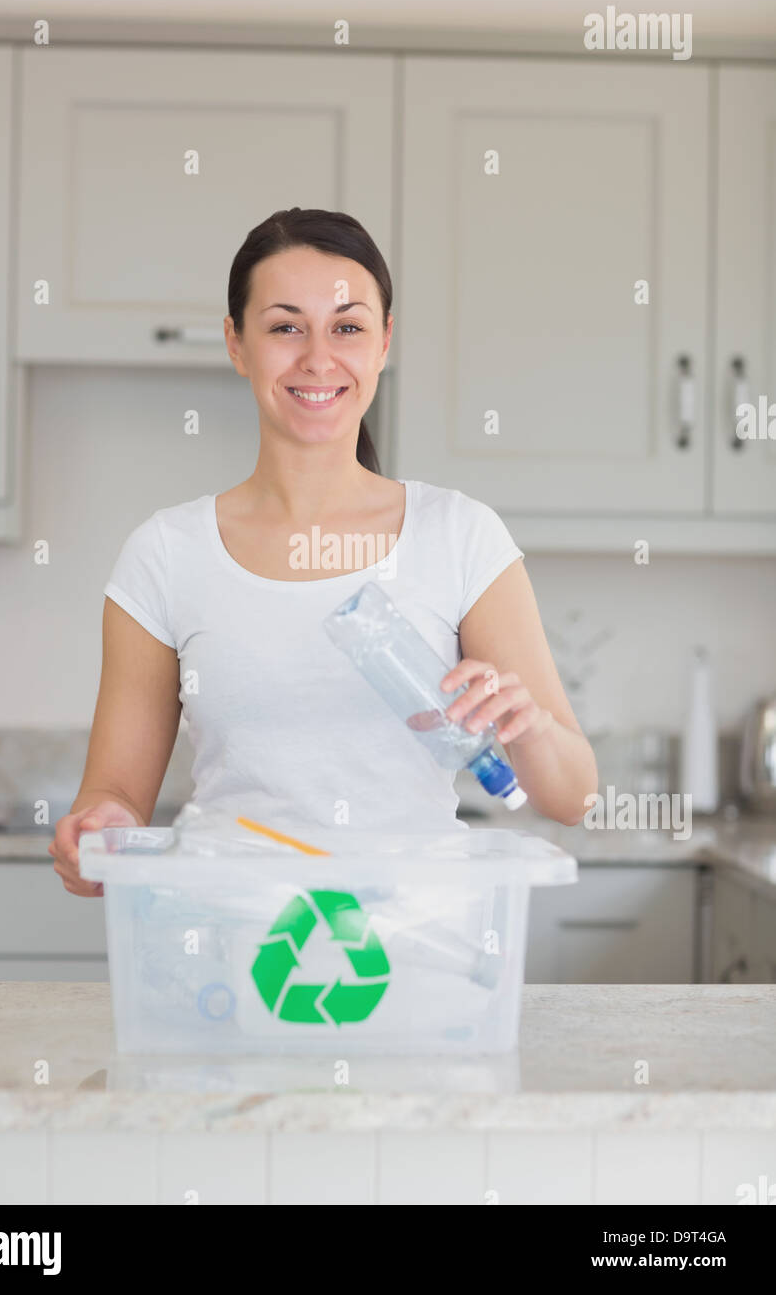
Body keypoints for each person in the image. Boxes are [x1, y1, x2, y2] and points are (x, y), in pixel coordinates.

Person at [49, 208, 597, 896]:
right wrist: (98, 830)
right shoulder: (164, 556)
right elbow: (115, 797)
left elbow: (575, 800)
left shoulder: (460, 537)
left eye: (347, 327)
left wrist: (530, 727)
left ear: (384, 342)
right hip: (233, 956)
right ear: (236, 343)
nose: (317, 358)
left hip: (418, 951)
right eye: (285, 327)